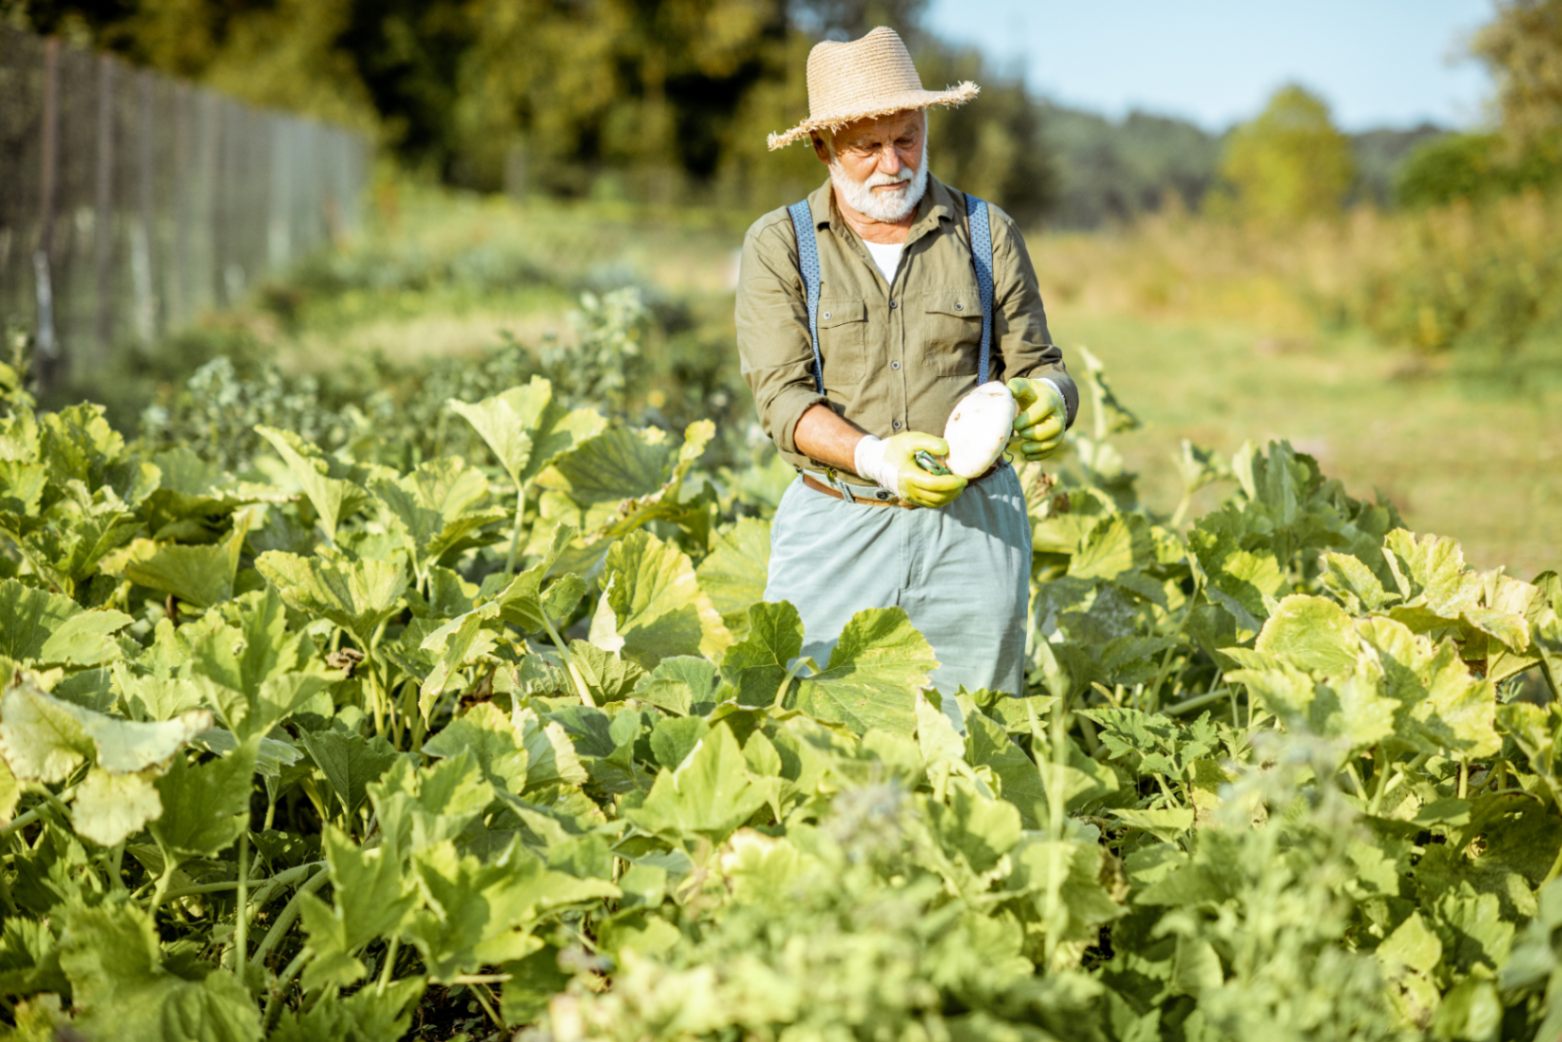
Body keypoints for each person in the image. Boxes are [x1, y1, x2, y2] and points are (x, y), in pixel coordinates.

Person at [734, 26, 1078, 708]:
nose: (893, 162)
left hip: (974, 527)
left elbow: (1042, 365)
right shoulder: (782, 246)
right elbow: (781, 399)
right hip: (839, 519)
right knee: (811, 724)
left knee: (975, 730)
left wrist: (1048, 401)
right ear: (822, 147)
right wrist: (879, 459)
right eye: (867, 146)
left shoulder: (987, 232)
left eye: (908, 138)